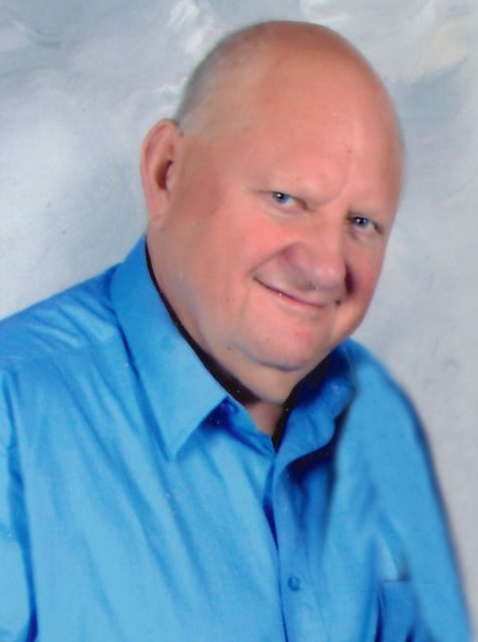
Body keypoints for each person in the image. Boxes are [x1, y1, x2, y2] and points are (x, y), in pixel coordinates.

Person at [0, 20, 470, 642]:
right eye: (285, 198)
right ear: (167, 172)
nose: (326, 268)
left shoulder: (374, 411)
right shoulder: (15, 418)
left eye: (362, 222)